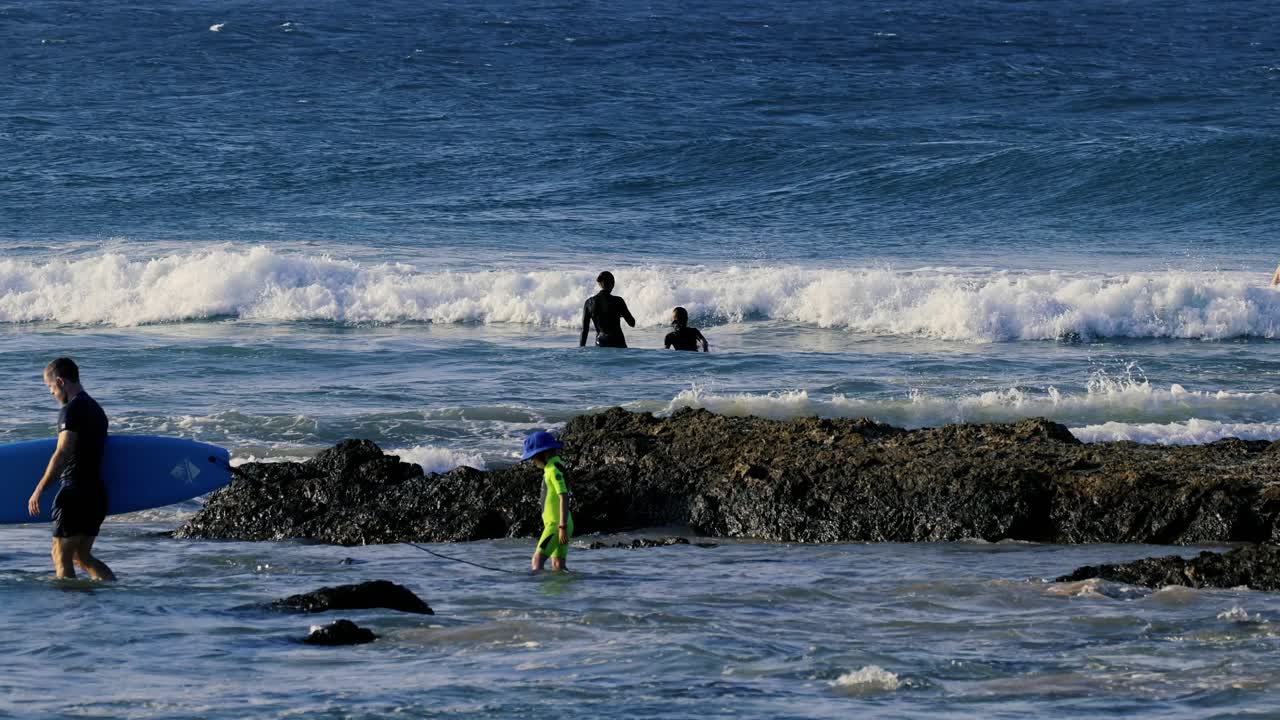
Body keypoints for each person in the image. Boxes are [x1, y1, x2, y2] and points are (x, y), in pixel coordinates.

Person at [27, 358, 115, 581]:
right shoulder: (96, 409)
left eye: (50, 387)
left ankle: (69, 611)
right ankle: (114, 593)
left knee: (60, 555)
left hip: (74, 492)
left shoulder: (71, 410)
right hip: (96, 493)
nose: (51, 393)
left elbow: (63, 453)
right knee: (82, 556)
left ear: (60, 381)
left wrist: (39, 488)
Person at [521, 431, 573, 572]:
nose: (533, 461)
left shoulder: (553, 469)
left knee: (537, 560)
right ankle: (562, 591)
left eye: (533, 457)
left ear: (542, 454)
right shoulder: (556, 465)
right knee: (558, 565)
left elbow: (564, 496)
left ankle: (534, 591)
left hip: (556, 525)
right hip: (563, 524)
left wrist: (561, 527)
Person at [580, 271, 635, 348]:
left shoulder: (589, 303)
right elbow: (632, 323)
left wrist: (581, 349)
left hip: (601, 342)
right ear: (612, 284)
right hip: (618, 342)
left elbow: (584, 330)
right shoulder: (618, 301)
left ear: (599, 284)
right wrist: (621, 314)